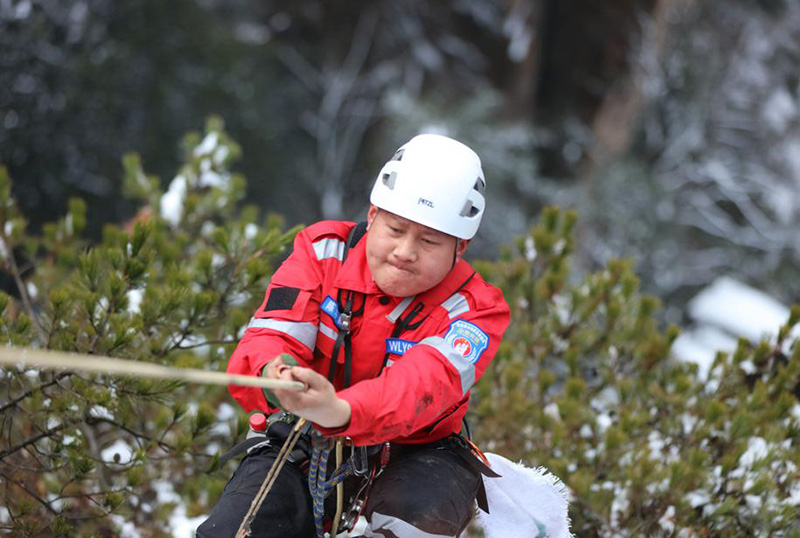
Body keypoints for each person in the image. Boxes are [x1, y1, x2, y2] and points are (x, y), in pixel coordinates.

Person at [197, 134, 510, 538]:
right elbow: (270, 336)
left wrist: (342, 411)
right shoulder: (321, 251)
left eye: (429, 240)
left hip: (418, 452)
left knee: (411, 525)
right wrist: (279, 376)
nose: (404, 251)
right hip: (302, 434)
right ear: (373, 214)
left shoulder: (476, 310)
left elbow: (420, 386)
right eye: (395, 229)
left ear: (460, 247)